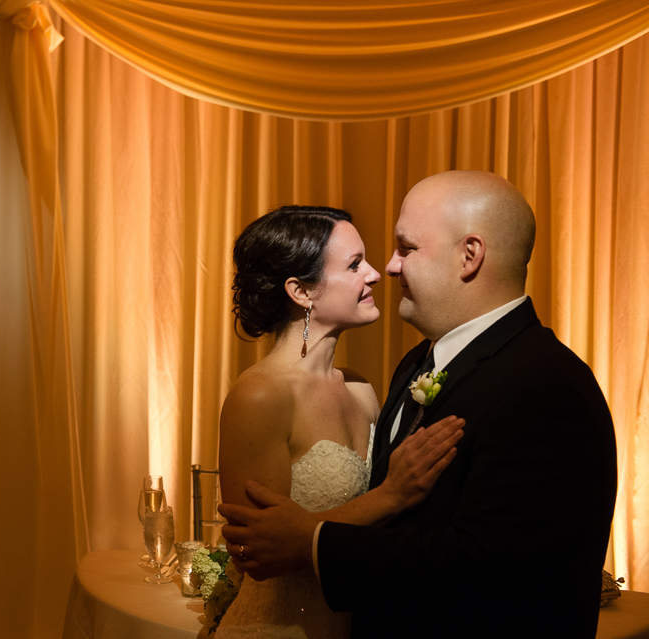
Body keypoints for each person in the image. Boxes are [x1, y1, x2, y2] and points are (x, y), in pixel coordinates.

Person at [219, 172, 617, 639]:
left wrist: (311, 539)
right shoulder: (417, 363)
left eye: (405, 248)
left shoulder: (548, 386)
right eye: (357, 263)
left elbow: (491, 569)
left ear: (470, 255)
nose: (385, 269)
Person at [214, 205, 465, 638]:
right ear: (301, 292)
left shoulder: (360, 389)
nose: (374, 273)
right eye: (354, 264)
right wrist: (391, 495)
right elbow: (255, 557)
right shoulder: (260, 396)